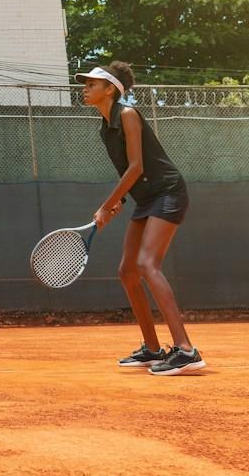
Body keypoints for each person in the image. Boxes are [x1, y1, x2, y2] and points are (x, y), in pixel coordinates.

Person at [76, 62, 205, 376]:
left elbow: (137, 167)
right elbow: (127, 174)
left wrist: (106, 206)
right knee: (127, 271)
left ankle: (186, 350)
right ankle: (151, 348)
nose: (86, 88)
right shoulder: (105, 128)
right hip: (147, 199)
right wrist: (118, 200)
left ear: (110, 89)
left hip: (168, 192)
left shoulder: (128, 115)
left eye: (92, 84)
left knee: (147, 264)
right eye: (86, 84)